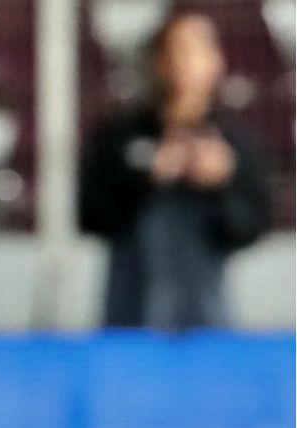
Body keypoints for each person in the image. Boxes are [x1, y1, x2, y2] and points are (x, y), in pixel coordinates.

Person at [79, 4, 271, 329]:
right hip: (131, 317)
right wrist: (147, 177)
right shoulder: (119, 138)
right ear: (156, 61)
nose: (183, 64)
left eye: (195, 51)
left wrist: (221, 184)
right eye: (174, 51)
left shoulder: (234, 144)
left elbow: (248, 228)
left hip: (207, 319)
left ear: (216, 61)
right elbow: (91, 217)